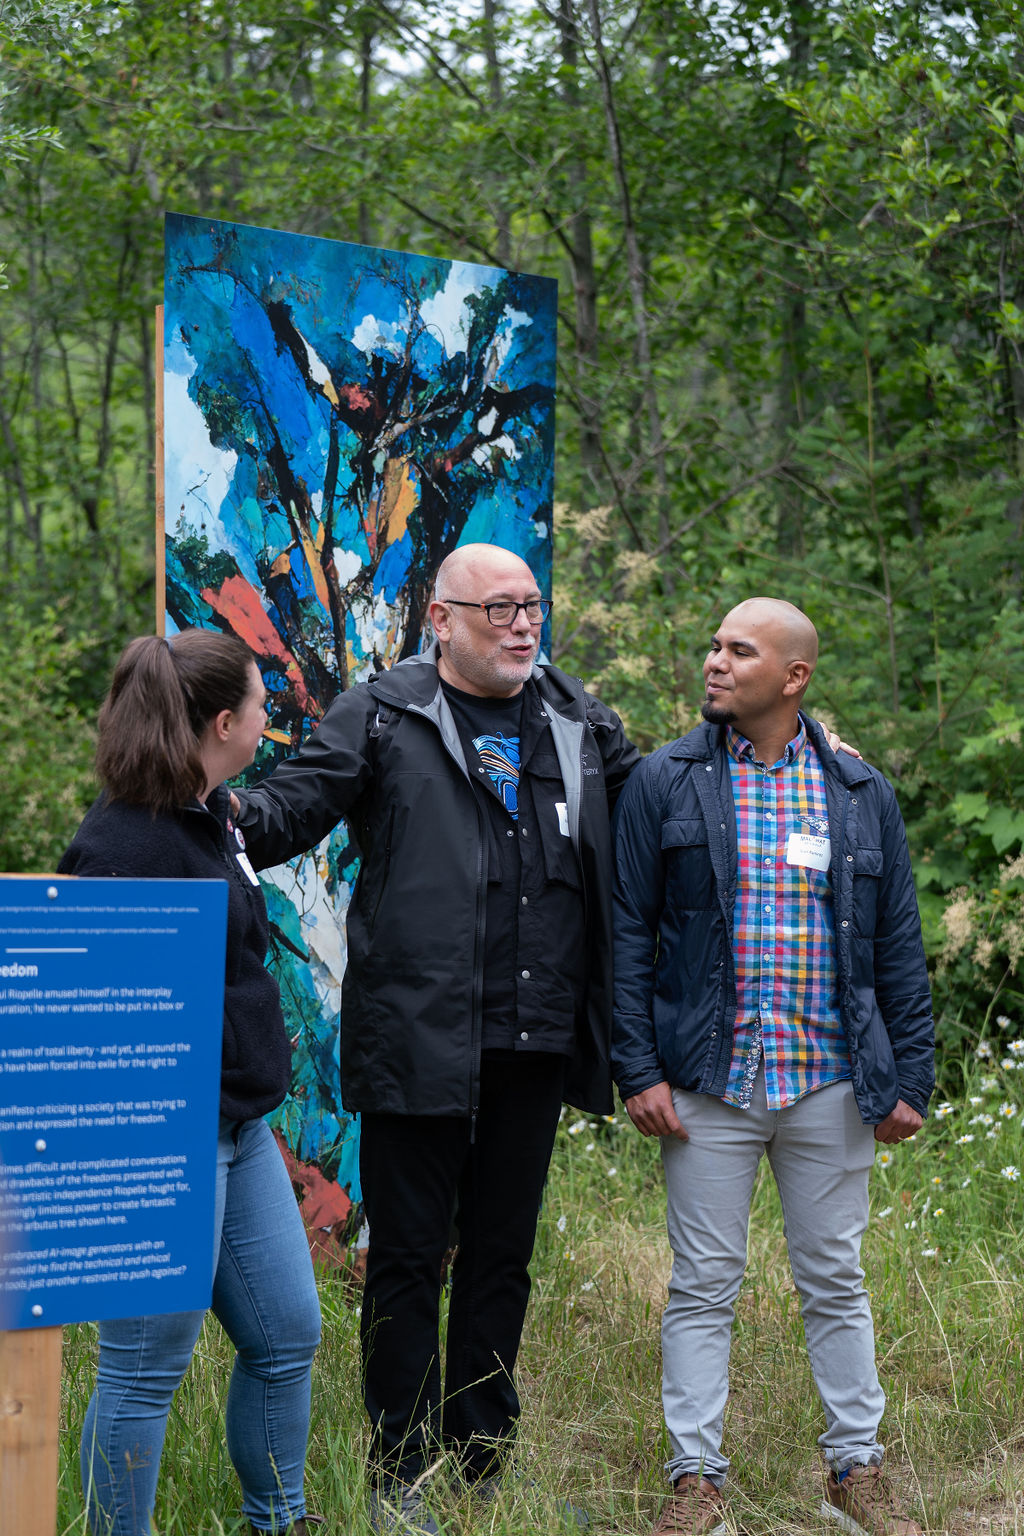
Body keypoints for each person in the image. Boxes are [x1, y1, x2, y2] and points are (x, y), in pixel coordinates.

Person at [231, 542, 640, 1534]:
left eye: (531, 605)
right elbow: (291, 806)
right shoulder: (383, 711)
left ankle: (484, 1463)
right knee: (410, 1258)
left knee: (502, 1255)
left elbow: (661, 810)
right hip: (416, 1034)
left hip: (534, 1037)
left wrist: (785, 756)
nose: (522, 624)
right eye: (499, 608)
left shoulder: (577, 718)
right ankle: (401, 1472)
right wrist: (205, 805)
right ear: (442, 621)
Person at [611, 598, 935, 1536]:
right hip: (709, 1080)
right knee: (702, 1283)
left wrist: (910, 1078)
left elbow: (897, 944)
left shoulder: (860, 792)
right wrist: (637, 1069)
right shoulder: (665, 781)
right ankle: (695, 1483)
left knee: (835, 1278)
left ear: (794, 677)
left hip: (829, 1076)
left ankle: (855, 1470)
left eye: (739, 651)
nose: (715, 661)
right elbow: (626, 934)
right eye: (714, 645)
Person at [59, 629, 322, 1536]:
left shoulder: (207, 813)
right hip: (160, 1138)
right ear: (221, 723)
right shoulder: (123, 848)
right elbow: (93, 1021)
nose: (267, 719)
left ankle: (278, 1523)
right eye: (260, 706)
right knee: (143, 1369)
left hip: (237, 1126)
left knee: (287, 1334)